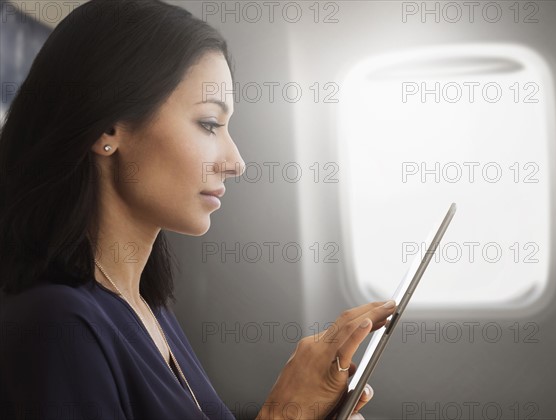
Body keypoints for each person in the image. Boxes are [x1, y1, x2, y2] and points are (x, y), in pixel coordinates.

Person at [0, 1, 397, 419]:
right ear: (108, 129)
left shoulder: (148, 310)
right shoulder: (58, 325)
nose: (236, 161)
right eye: (209, 124)